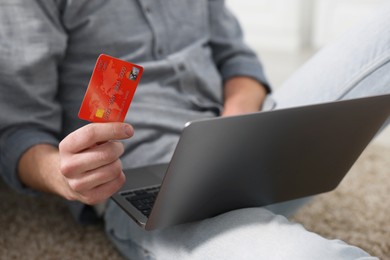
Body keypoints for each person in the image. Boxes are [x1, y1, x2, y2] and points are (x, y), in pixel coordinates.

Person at [0, 0, 388, 259]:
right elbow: (19, 131)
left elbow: (239, 61)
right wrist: (67, 176)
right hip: (141, 179)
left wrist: (235, 123)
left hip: (242, 135)